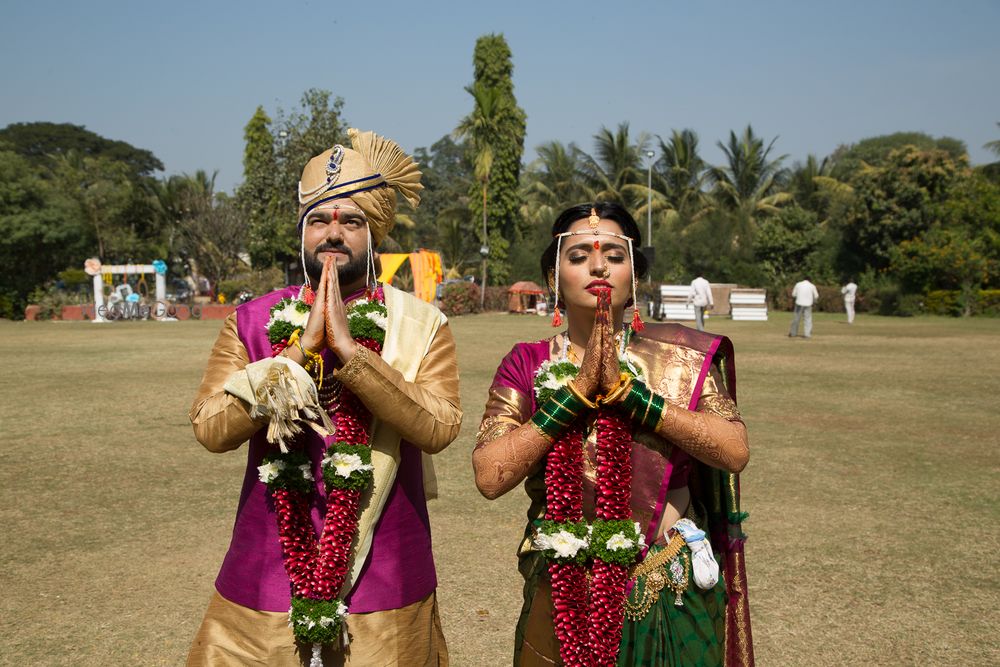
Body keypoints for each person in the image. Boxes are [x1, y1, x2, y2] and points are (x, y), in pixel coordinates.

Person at [187, 129, 462, 666]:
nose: (333, 233)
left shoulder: (422, 325)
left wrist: (352, 355)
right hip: (267, 564)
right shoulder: (251, 322)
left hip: (386, 568)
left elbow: (441, 426)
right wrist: (296, 354)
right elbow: (209, 428)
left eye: (351, 221)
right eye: (319, 219)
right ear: (302, 233)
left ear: (373, 236)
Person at [472, 202, 753, 666]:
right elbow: (489, 475)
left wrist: (639, 400)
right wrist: (576, 395)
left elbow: (734, 450)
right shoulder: (526, 362)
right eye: (578, 255)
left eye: (615, 257)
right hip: (564, 581)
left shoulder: (681, 358)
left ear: (634, 276)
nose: (598, 266)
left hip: (665, 577)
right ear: (553, 277)